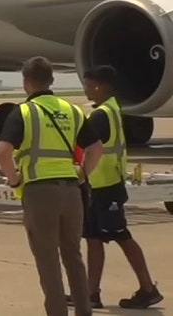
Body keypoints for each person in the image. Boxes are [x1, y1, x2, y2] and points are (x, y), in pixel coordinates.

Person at [0, 56, 103, 316]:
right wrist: (82, 174)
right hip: (71, 191)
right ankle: (84, 310)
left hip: (40, 192)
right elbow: (96, 148)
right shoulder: (72, 110)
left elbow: (3, 151)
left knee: (47, 259)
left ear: (26, 82)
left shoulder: (24, 112)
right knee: (73, 255)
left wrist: (14, 179)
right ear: (52, 81)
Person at [75, 65, 163, 309]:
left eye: (88, 83)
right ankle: (91, 293)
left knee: (121, 235)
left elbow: (89, 146)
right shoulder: (111, 109)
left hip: (106, 187)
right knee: (93, 237)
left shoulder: (102, 115)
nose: (86, 88)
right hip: (99, 185)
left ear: (99, 85)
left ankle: (148, 288)